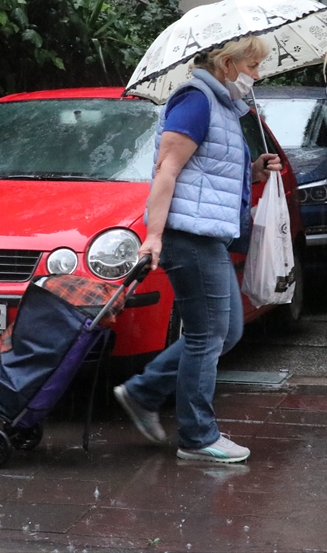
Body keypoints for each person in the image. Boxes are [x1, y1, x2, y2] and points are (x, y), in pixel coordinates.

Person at [113, 37, 281, 464]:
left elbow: (205, 170)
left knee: (227, 332)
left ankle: (143, 392)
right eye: (253, 65)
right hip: (188, 235)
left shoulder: (223, 105)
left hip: (208, 234)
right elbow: (166, 168)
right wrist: (153, 236)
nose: (256, 75)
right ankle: (197, 435)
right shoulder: (196, 100)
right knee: (206, 336)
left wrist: (254, 168)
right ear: (227, 64)